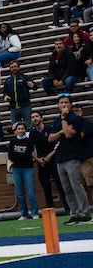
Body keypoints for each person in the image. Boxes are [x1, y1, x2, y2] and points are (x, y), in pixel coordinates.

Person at [48, 94, 91, 223]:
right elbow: (50, 138)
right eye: (61, 102)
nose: (64, 105)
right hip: (60, 157)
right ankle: (75, 213)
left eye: (66, 102)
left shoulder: (75, 118)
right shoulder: (56, 121)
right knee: (67, 188)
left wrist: (64, 119)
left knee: (76, 186)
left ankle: (85, 213)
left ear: (70, 104)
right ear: (58, 105)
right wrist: (60, 130)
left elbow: (68, 134)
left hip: (72, 156)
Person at [31, 109, 69, 213]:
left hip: (53, 160)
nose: (35, 119)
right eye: (33, 117)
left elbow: (58, 144)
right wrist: (38, 160)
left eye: (36, 116)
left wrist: (49, 156)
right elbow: (30, 149)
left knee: (60, 185)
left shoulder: (50, 129)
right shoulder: (32, 133)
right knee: (46, 188)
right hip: (42, 163)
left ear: (41, 118)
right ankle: (50, 212)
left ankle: (68, 209)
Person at [8, 120, 40, 219]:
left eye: (22, 129)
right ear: (16, 131)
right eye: (19, 129)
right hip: (16, 169)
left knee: (31, 192)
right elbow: (10, 155)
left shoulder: (29, 141)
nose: (20, 130)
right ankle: (24, 213)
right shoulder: (12, 141)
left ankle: (35, 213)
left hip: (27, 168)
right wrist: (20, 156)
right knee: (20, 193)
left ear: (25, 130)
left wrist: (18, 156)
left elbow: (28, 155)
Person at [0, 60, 35, 131]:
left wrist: (32, 85)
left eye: (15, 67)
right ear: (10, 69)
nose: (14, 68)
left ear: (19, 67)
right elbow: (4, 92)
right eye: (12, 67)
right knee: (16, 128)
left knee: (29, 126)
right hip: (13, 108)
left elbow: (35, 87)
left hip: (25, 106)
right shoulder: (8, 80)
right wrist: (6, 97)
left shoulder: (24, 77)